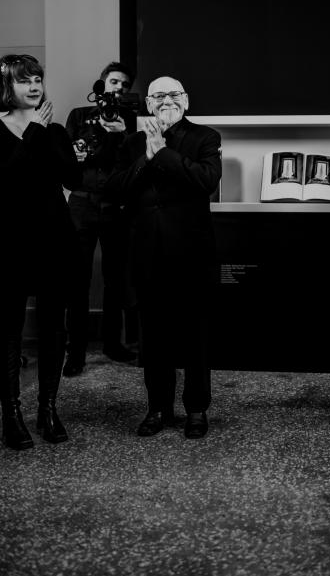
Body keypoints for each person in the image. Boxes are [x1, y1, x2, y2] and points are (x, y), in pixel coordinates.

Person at [105, 76, 221, 438]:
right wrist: (148, 156)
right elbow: (114, 187)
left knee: (195, 336)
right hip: (147, 253)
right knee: (153, 338)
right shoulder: (134, 143)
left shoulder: (206, 137)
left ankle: (197, 410)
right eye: (159, 95)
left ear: (186, 101)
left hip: (191, 252)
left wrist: (165, 153)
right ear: (149, 104)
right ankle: (158, 408)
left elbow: (205, 181)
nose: (167, 100)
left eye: (174, 94)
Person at [0, 54, 81, 449]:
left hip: (54, 241)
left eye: (37, 78)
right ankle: (10, 413)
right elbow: (6, 178)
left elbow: (73, 177)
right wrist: (33, 130)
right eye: (23, 80)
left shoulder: (52, 129)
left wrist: (49, 135)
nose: (34, 86)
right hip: (10, 243)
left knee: (54, 327)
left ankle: (48, 409)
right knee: (8, 331)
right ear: (6, 87)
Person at [63, 62, 139, 377]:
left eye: (124, 84)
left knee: (115, 280)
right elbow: (64, 162)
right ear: (102, 84)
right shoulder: (79, 115)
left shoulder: (131, 121)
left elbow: (137, 162)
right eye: (113, 82)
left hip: (115, 206)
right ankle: (75, 352)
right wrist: (74, 156)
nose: (118, 88)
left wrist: (122, 136)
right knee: (77, 280)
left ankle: (112, 344)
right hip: (81, 203)